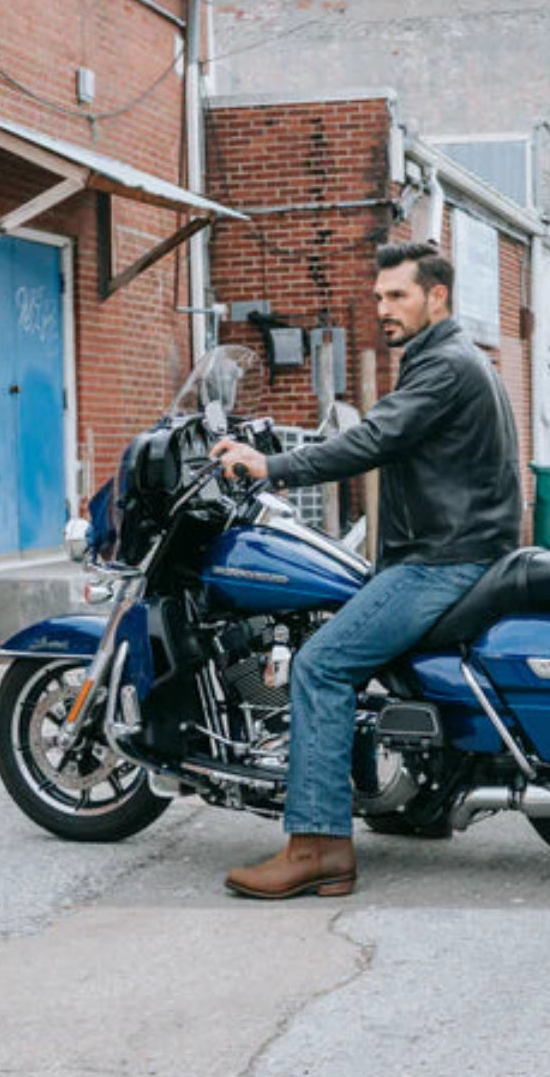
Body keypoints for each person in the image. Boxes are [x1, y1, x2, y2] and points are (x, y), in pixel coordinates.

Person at [211, 241, 522, 900]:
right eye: (378, 296)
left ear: (436, 297)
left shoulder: (443, 366)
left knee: (322, 665)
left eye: (397, 295)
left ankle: (317, 846)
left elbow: (376, 437)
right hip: (459, 549)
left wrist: (273, 466)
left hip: (445, 558)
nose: (382, 308)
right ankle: (420, 802)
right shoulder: (452, 359)